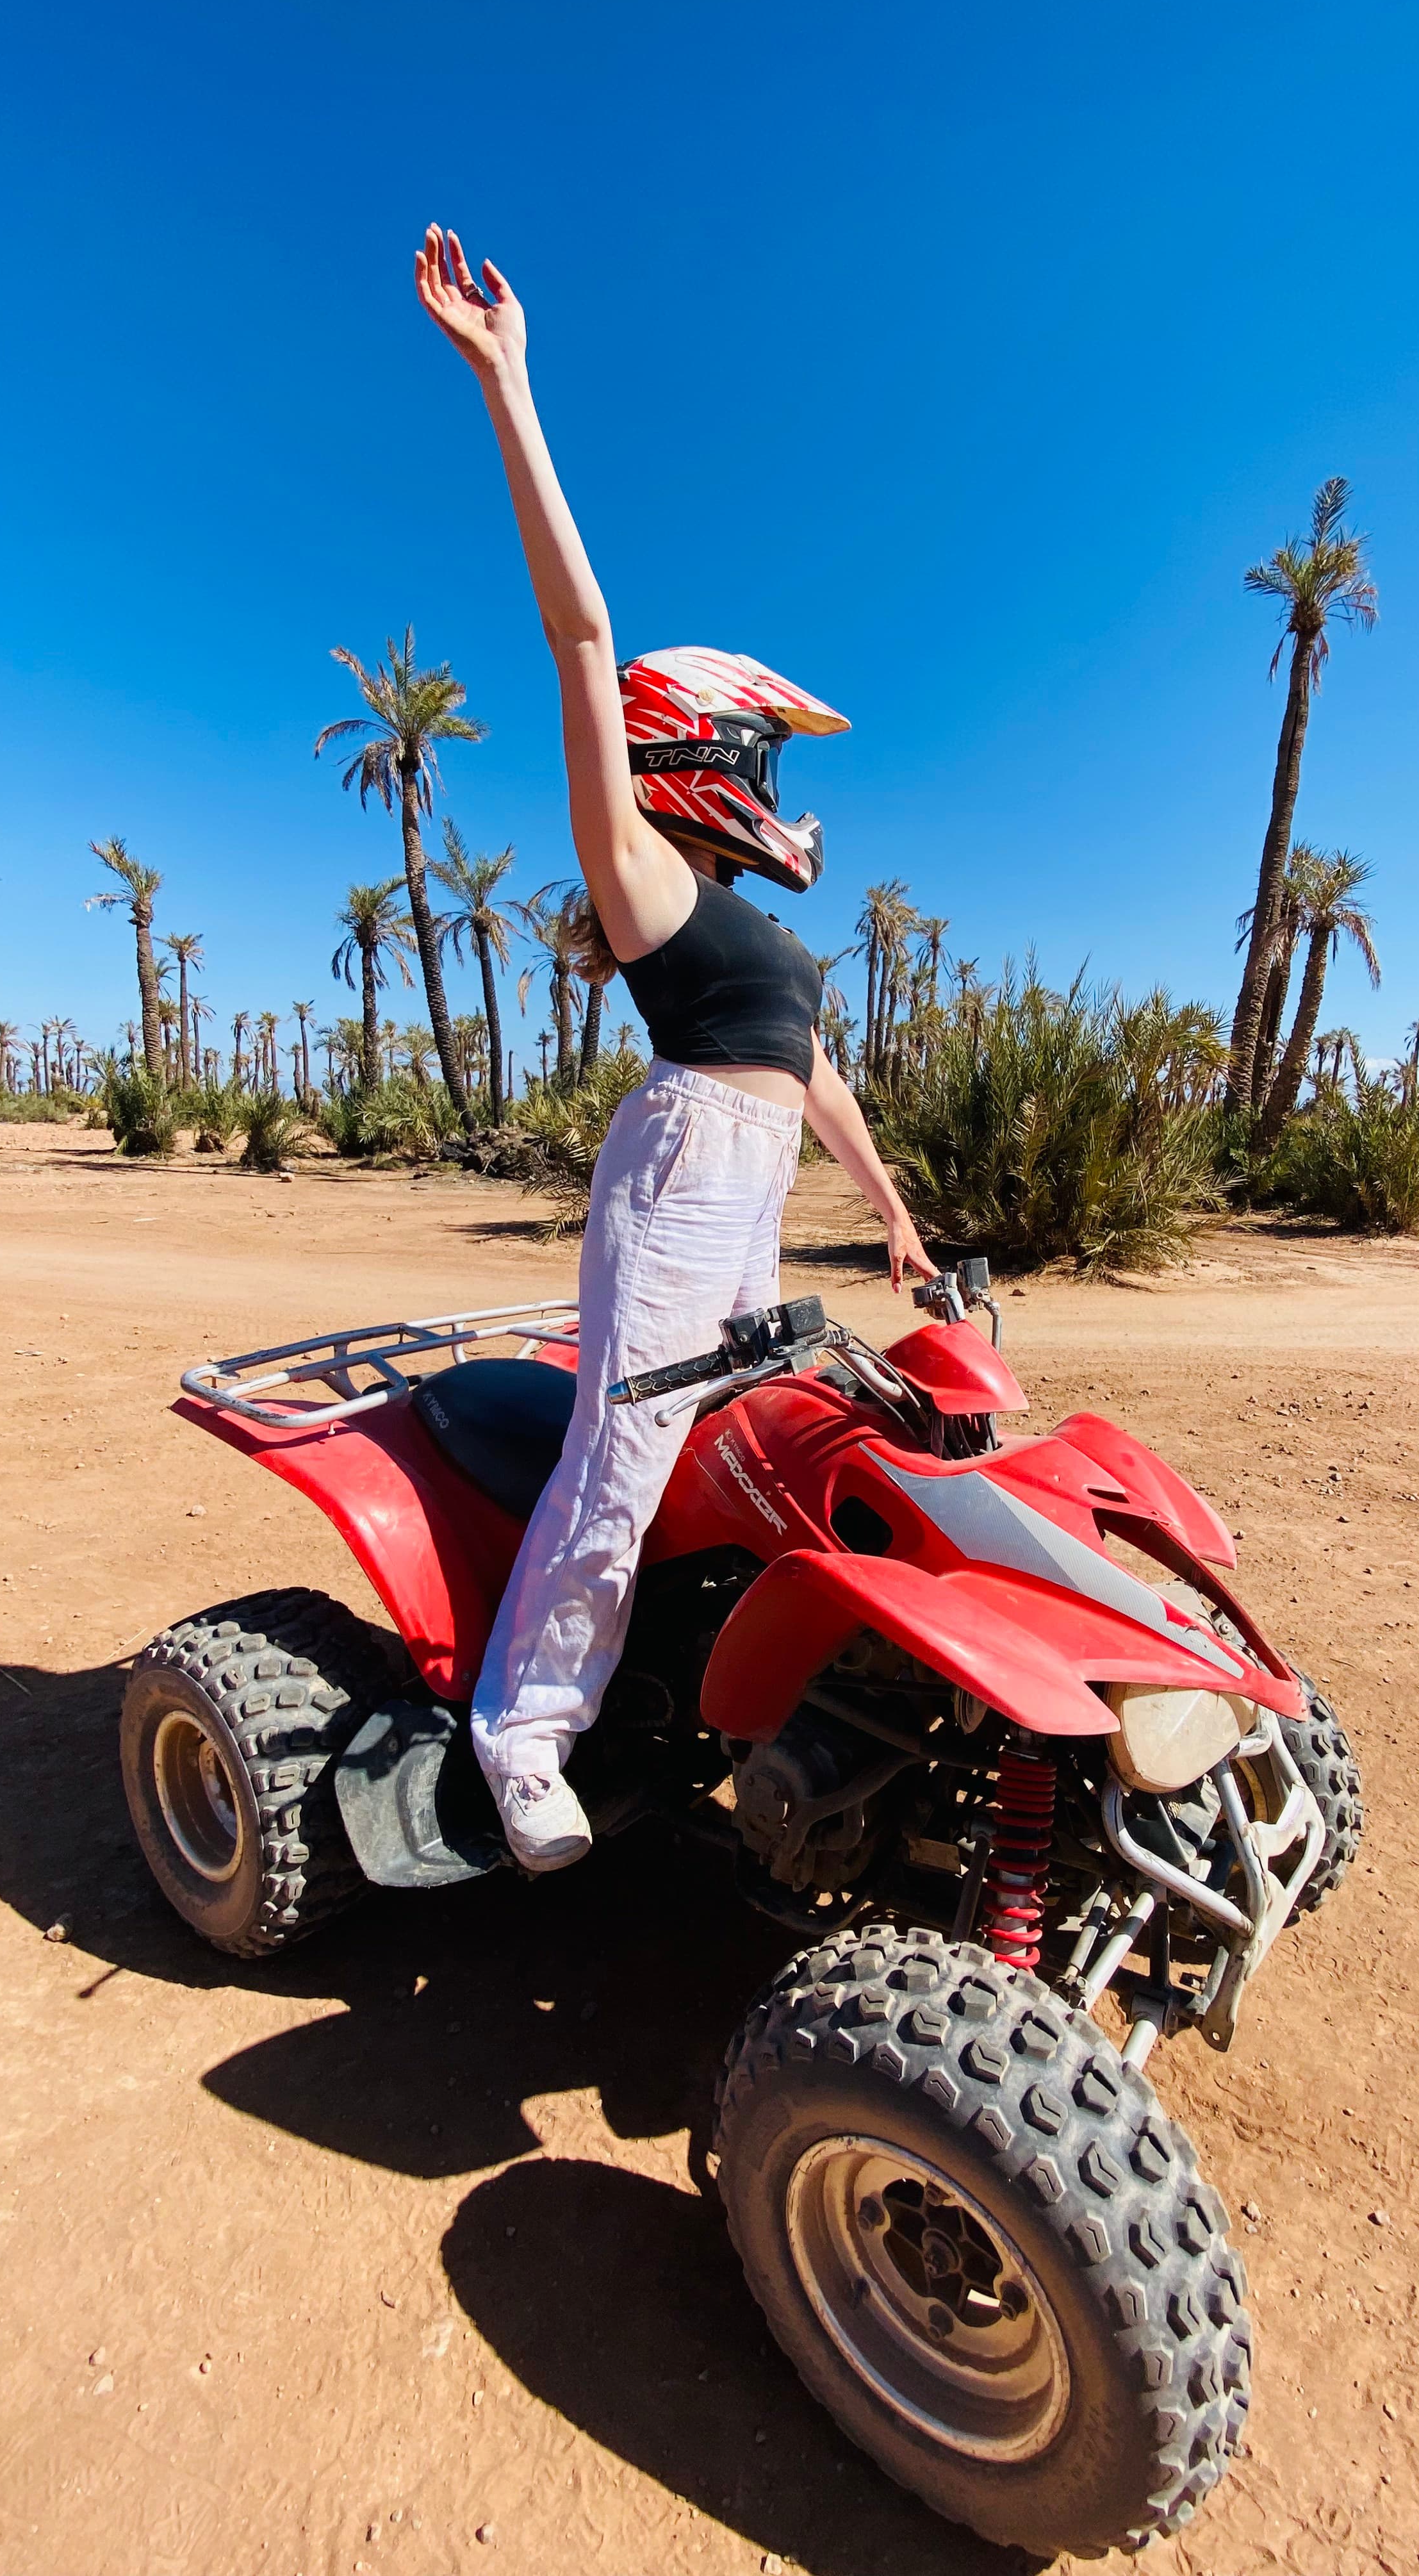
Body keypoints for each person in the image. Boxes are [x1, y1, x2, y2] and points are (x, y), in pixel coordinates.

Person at [415, 225, 935, 1872]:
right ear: (691, 758)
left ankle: (701, 1676)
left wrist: (898, 1212)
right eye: (752, 761)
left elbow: (816, 1069)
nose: (775, 798)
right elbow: (578, 640)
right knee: (624, 1449)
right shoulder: (639, 876)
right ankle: (523, 1736)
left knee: (755, 1427)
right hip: (675, 1171)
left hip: (754, 1172)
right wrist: (511, 385)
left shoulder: (758, 934)